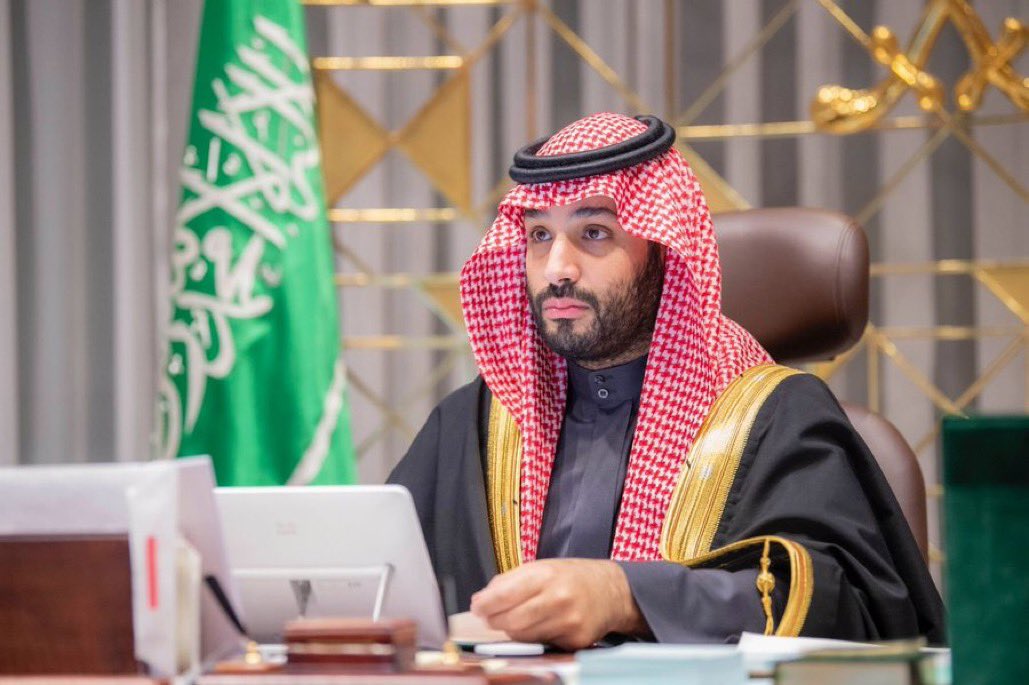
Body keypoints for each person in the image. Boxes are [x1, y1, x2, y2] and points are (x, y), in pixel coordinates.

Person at [388, 112, 945, 649]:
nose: (557, 268)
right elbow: (379, 587)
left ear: (665, 256)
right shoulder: (474, 427)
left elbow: (851, 609)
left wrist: (629, 596)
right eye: (539, 235)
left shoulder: (776, 417)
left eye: (594, 232)